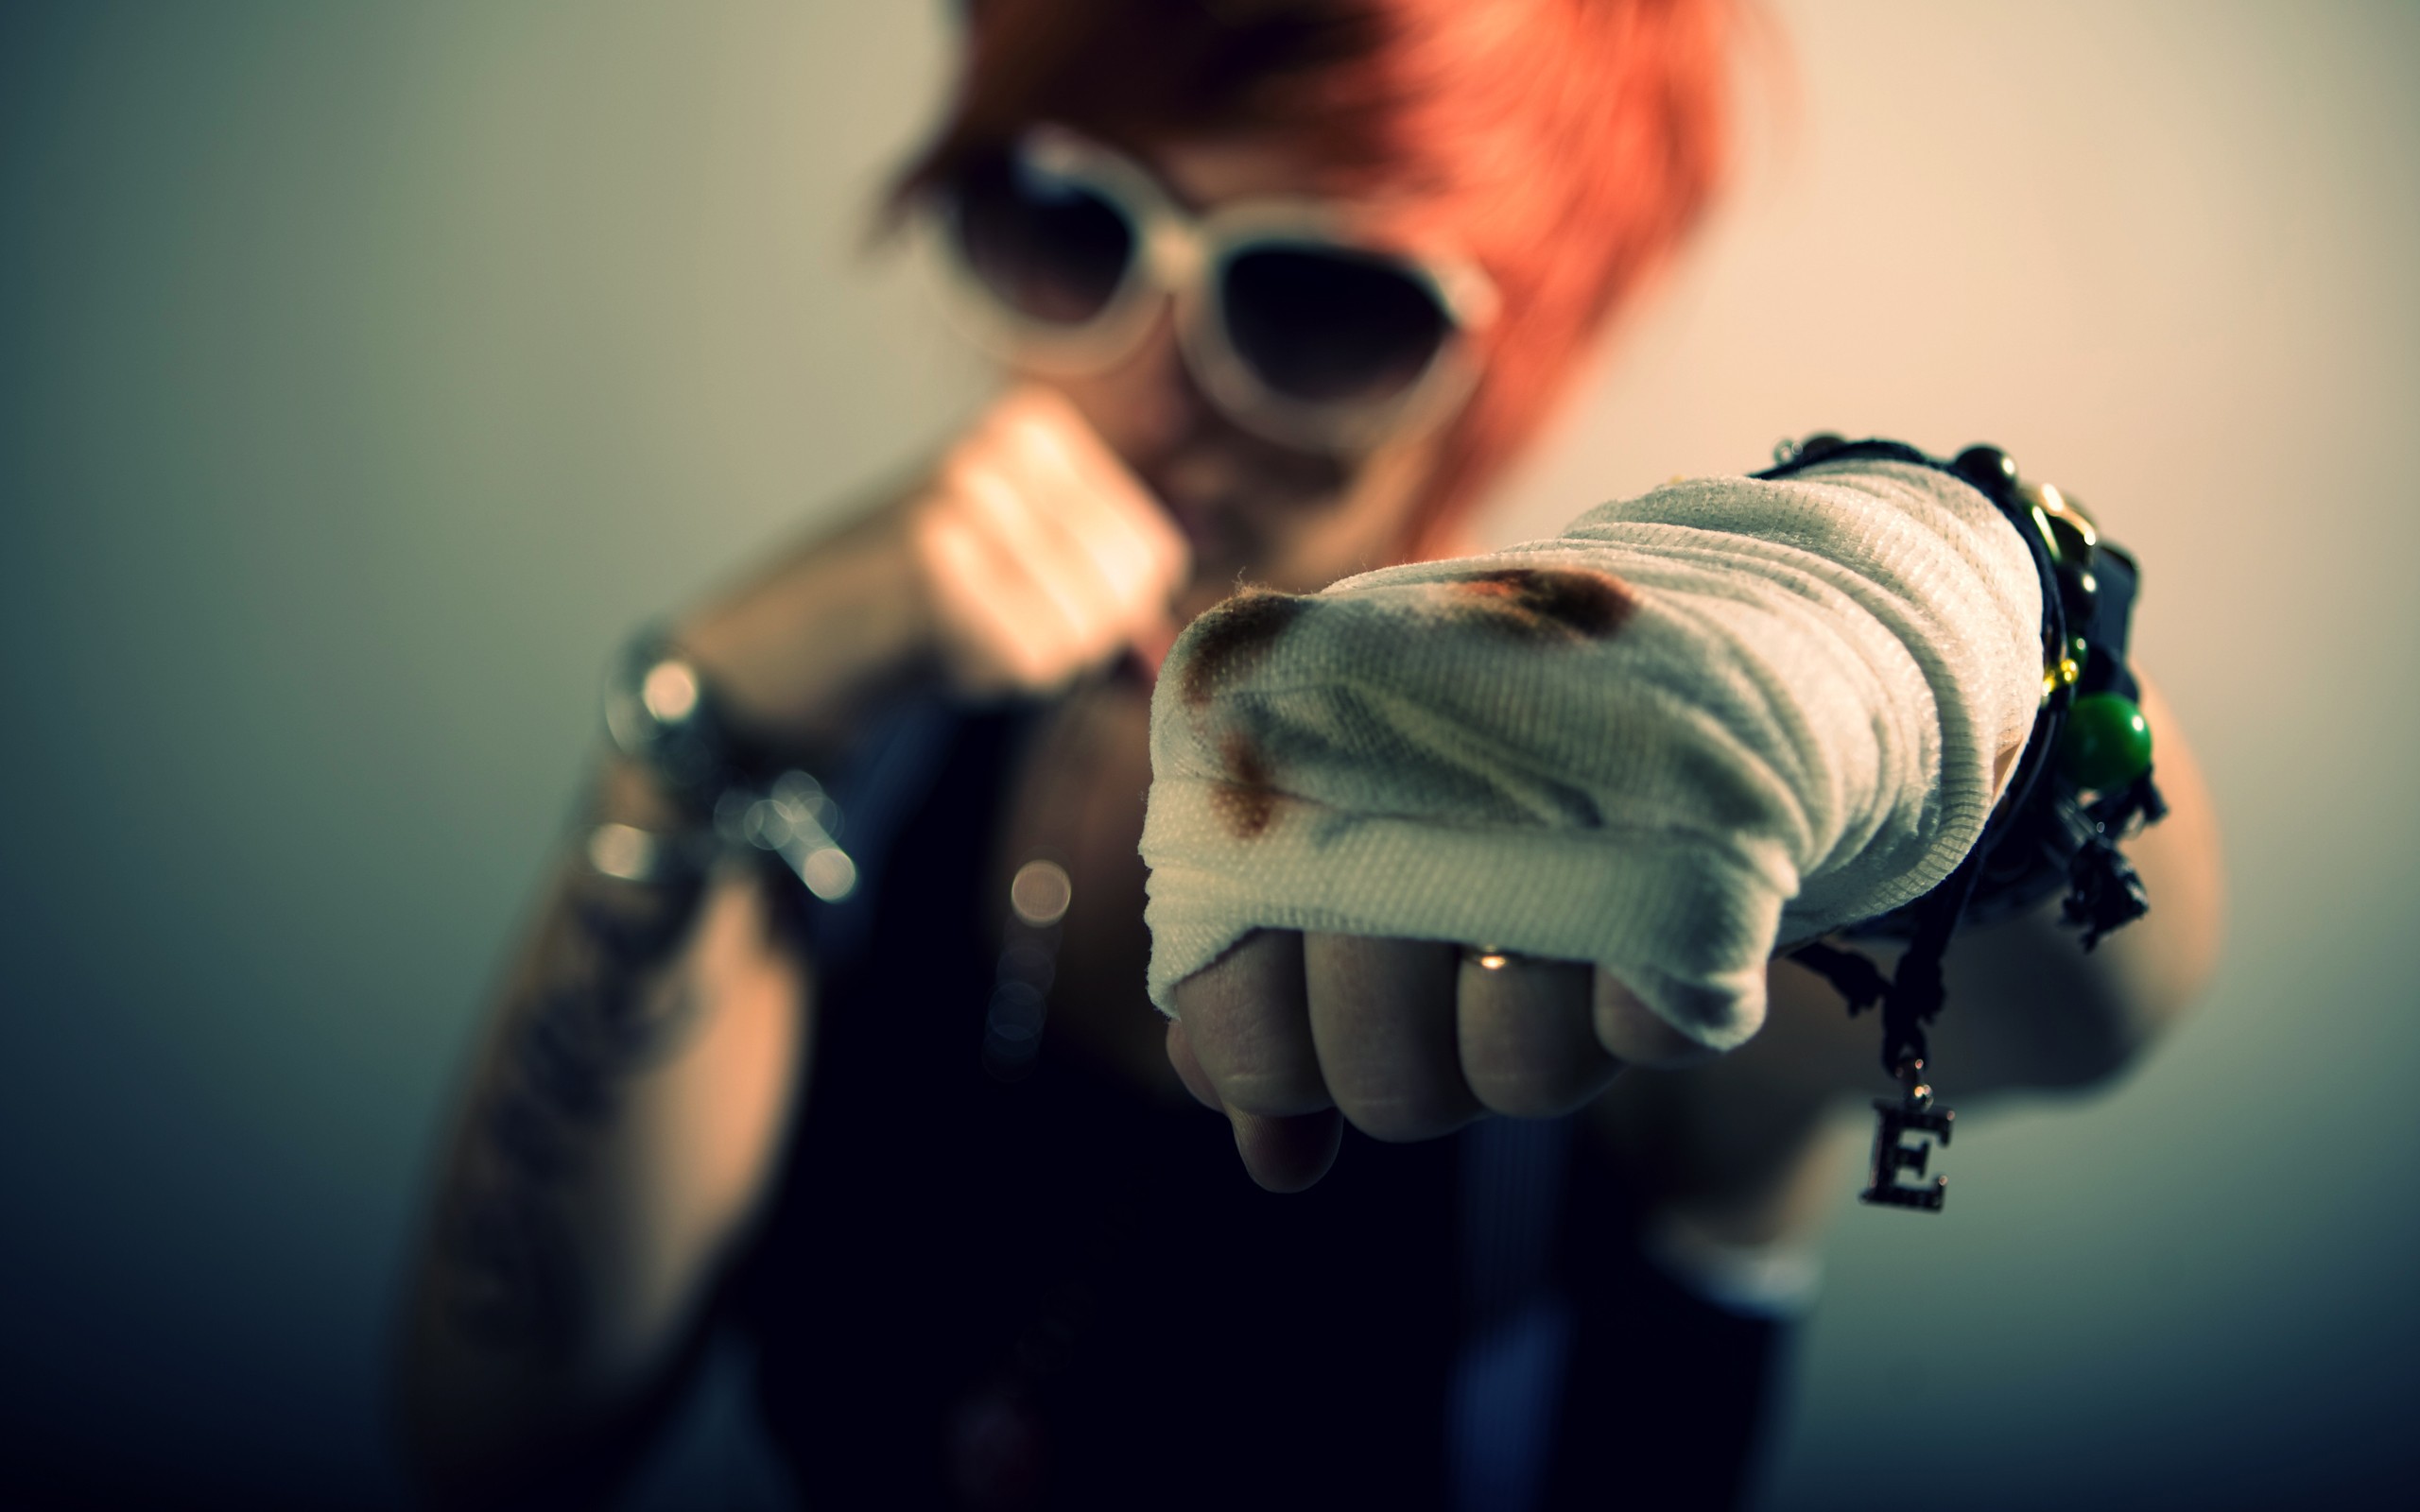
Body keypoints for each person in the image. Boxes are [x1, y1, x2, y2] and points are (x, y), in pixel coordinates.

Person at [393, 2, 2223, 1507]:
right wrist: (701, 717)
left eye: (1321, 296)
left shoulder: (1637, 832)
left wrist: (1917, 652)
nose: (1158, 378)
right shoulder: (860, 760)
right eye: (1067, 222)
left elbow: (2090, 1006)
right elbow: (496, 1436)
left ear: (1510, 349)